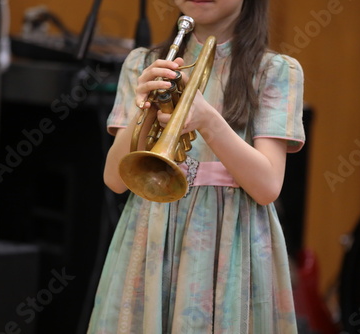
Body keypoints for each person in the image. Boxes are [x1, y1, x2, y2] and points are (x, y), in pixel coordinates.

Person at [87, 0, 305, 332]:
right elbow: (115, 180)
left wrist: (208, 120)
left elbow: (267, 187)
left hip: (232, 237)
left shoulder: (275, 70)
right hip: (152, 233)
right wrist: (142, 108)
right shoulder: (143, 63)